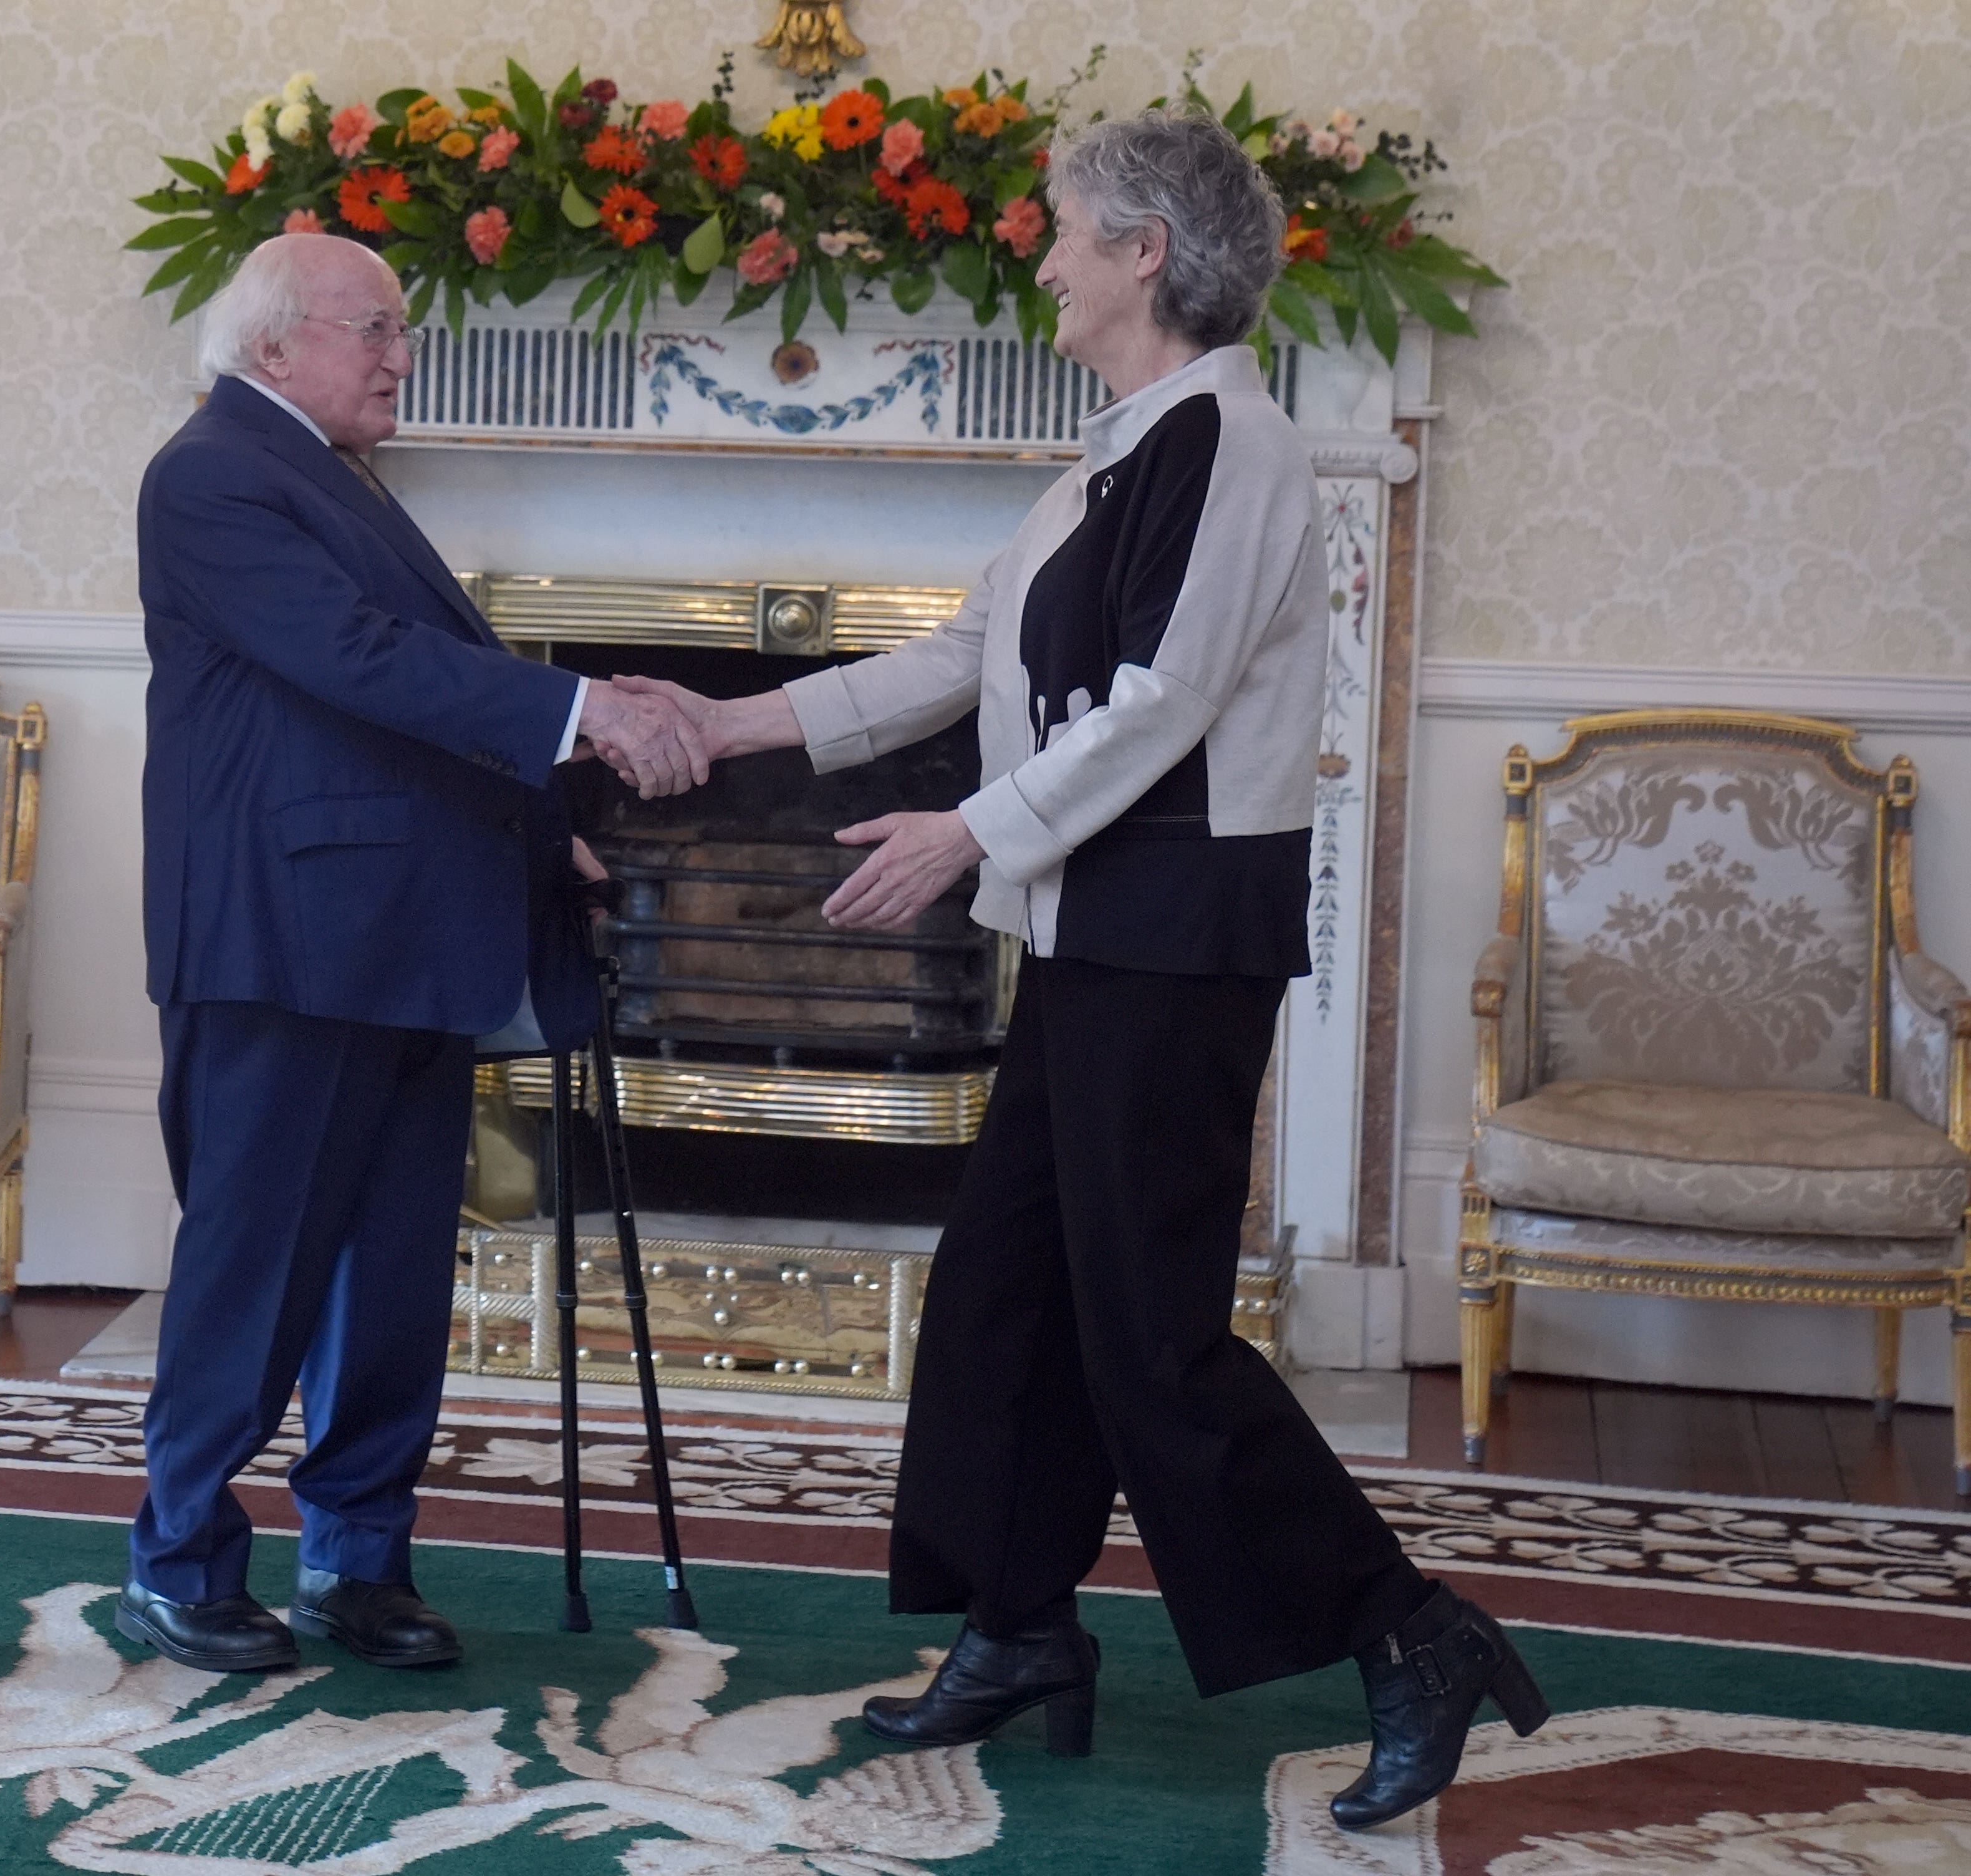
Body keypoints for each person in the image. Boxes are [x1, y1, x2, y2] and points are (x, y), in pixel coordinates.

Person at [617, 110, 1548, 1829]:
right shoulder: (1115, 455)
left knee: (1148, 1333)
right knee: (1004, 1298)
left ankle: (1408, 1629)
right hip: (1092, 936)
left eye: (1062, 233)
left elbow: (1166, 702)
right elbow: (968, 654)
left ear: (1144, 254)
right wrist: (718, 720)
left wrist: (968, 836)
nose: (1038, 261)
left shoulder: (1236, 448)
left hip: (1179, 942)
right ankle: (1019, 1625)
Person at [124, 232, 706, 1674]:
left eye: (403, 326)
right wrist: (585, 714)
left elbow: (393, 711)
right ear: (274, 346)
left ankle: (357, 1558)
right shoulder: (209, 475)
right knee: (255, 1272)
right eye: (374, 327)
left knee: (389, 1278)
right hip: (283, 944)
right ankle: (183, 1556)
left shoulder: (328, 474)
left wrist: (537, 833)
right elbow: (358, 659)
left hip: (399, 935)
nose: (401, 354)